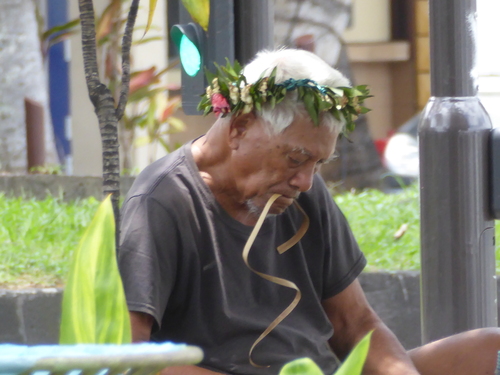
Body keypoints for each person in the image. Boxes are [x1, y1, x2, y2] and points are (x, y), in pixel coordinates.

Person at [118, 48, 500, 375]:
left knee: (490, 348)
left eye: (317, 163)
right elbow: (133, 358)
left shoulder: (302, 190)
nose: (304, 181)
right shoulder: (163, 201)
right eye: (295, 158)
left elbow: (354, 323)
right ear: (239, 127)